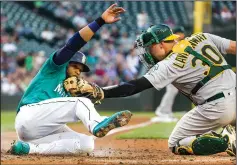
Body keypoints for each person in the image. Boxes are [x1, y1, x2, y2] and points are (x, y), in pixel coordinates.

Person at [9, 4, 132, 155]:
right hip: (30, 116)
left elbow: (90, 95)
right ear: (66, 62)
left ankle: (29, 149)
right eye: (75, 66)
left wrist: (97, 92)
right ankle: (97, 123)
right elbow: (74, 43)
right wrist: (100, 21)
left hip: (36, 133)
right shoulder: (55, 67)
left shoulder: (72, 89)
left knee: (87, 144)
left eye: (81, 70)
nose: (78, 71)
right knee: (81, 103)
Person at [102, 24, 236, 156]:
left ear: (161, 44)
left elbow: (133, 87)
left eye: (149, 47)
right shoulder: (202, 37)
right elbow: (234, 47)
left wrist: (101, 92)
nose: (147, 52)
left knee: (175, 143)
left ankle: (226, 141)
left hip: (219, 107)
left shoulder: (168, 65)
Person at [151, 26, 186, 123]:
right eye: (180, 33)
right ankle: (162, 111)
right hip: (170, 69)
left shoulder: (177, 43)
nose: (182, 35)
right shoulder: (172, 43)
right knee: (171, 90)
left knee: (172, 91)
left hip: (175, 70)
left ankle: (166, 111)